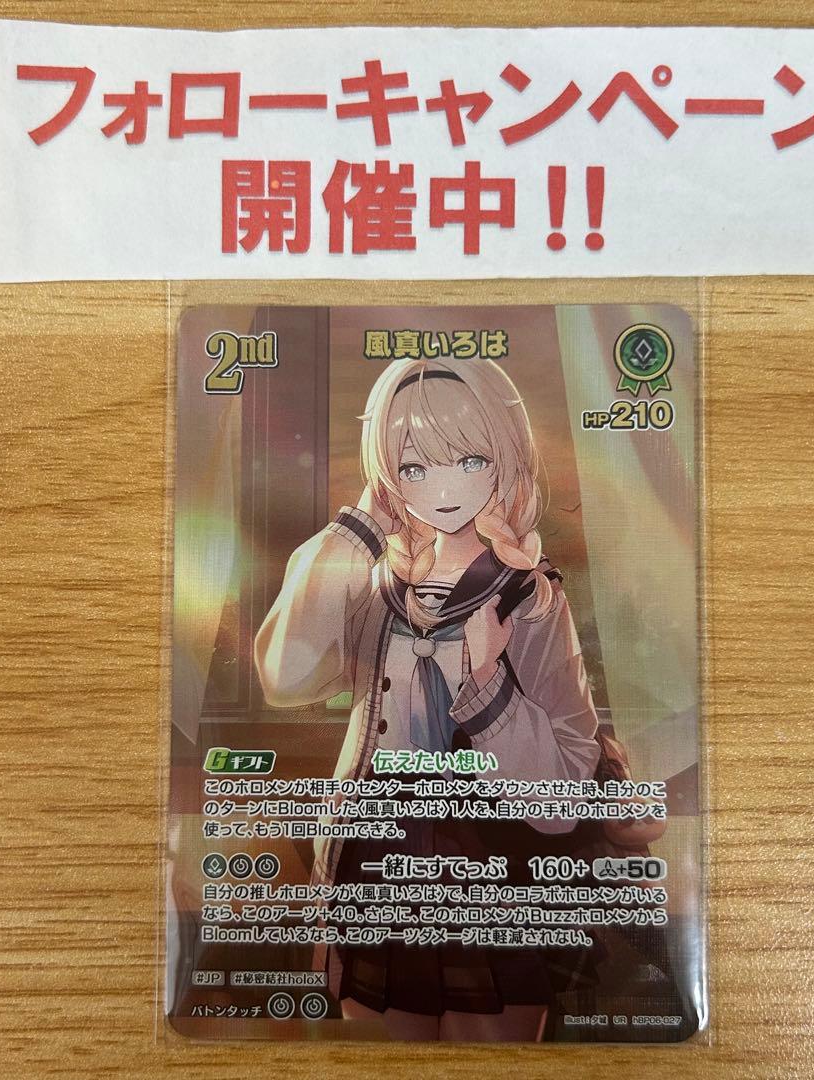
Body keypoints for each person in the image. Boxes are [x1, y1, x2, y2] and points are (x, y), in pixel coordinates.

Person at [255, 355, 601, 1040]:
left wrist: (488, 680)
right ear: (384, 471)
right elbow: (284, 679)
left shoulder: (531, 596)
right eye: (412, 466)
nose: (443, 487)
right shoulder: (370, 578)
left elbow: (564, 799)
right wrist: (360, 526)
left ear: (505, 458)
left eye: (470, 460)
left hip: (495, 867)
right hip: (373, 859)